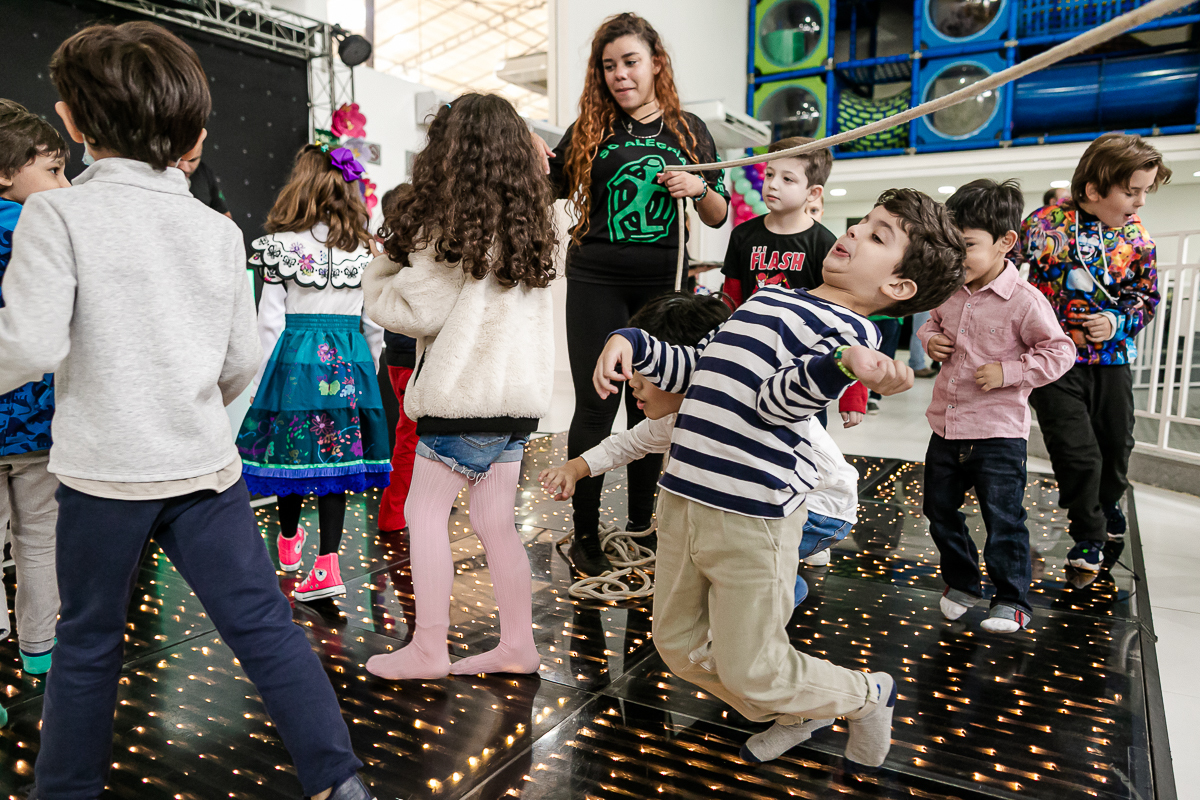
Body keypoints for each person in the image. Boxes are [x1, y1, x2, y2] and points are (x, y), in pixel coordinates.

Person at [0, 22, 371, 800]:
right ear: (192, 134)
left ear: (72, 122)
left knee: (88, 643)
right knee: (265, 629)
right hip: (206, 469)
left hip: (104, 477)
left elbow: (26, 343)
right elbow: (240, 360)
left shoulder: (58, 217)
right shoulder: (216, 228)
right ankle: (339, 783)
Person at [593, 188, 966, 766]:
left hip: (752, 518)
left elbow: (776, 401)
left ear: (898, 287)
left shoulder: (852, 335)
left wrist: (839, 368)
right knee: (677, 647)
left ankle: (866, 695)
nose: (853, 233)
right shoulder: (770, 302)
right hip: (685, 499)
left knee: (755, 665)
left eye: (877, 236)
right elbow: (702, 370)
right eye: (863, 222)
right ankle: (804, 708)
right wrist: (636, 343)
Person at [362, 93, 556, 681]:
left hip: (461, 400)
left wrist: (379, 270)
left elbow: (413, 313)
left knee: (424, 514)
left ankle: (428, 648)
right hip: (516, 404)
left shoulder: (447, 224)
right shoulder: (540, 220)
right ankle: (518, 644)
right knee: (495, 524)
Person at [548, 12, 729, 578]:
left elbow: (718, 213)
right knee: (596, 402)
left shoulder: (688, 129)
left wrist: (700, 187)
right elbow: (542, 185)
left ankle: (642, 526)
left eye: (630, 62)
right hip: (596, 277)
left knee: (650, 403)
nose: (620, 75)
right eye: (609, 66)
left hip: (663, 282)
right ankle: (585, 536)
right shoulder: (590, 130)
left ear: (656, 64)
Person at [538, 293, 859, 600]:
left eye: (647, 371)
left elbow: (828, 474)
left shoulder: (752, 409)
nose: (632, 382)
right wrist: (575, 468)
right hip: (778, 507)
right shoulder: (677, 415)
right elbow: (628, 443)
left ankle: (783, 585)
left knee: (722, 562)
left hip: (820, 511)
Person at [918, 179, 1075, 633]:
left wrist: (1010, 372)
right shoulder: (948, 289)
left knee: (1003, 519)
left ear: (1006, 243)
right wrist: (931, 341)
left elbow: (1059, 352)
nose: (955, 256)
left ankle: (1013, 600)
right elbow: (929, 323)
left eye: (966, 245)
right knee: (939, 511)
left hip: (998, 434)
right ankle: (963, 583)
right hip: (946, 428)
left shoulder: (1025, 301)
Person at [236, 143, 390, 601]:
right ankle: (328, 565)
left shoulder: (280, 248)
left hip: (294, 363)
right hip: (349, 365)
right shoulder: (365, 252)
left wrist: (261, 381)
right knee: (337, 459)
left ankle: (287, 545)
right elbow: (374, 324)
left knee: (292, 454)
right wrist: (368, 369)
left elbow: (268, 321)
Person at [1022, 133, 1169, 572]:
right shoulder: (1042, 226)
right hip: (1055, 359)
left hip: (1113, 360)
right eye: (1132, 191)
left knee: (1116, 447)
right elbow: (1000, 272)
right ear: (1092, 189)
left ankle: (1106, 506)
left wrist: (1117, 323)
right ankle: (1088, 533)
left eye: (1145, 191)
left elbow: (1147, 298)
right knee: (1075, 452)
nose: (1141, 202)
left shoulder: (1137, 238)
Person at [719, 136, 867, 428]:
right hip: (750, 356)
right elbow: (731, 300)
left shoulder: (825, 243)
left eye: (788, 179)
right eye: (770, 174)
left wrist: (854, 391)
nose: (772, 184)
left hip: (803, 365)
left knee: (804, 446)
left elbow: (846, 318)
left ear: (813, 193)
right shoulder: (742, 235)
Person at [0, 100, 69, 695]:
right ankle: (41, 655)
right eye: (51, 171)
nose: (63, 185)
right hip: (39, 424)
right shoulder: (38, 230)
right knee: (40, 541)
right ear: (6, 172)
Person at [375, 184, 419, 535]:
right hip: (410, 355)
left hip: (397, 355)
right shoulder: (412, 256)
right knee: (410, 438)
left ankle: (407, 510)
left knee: (411, 436)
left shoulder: (391, 254)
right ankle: (393, 515)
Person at [177, 136, 232, 218]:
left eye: (192, 160)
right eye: (179, 159)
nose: (185, 167)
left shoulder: (206, 173)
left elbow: (226, 217)